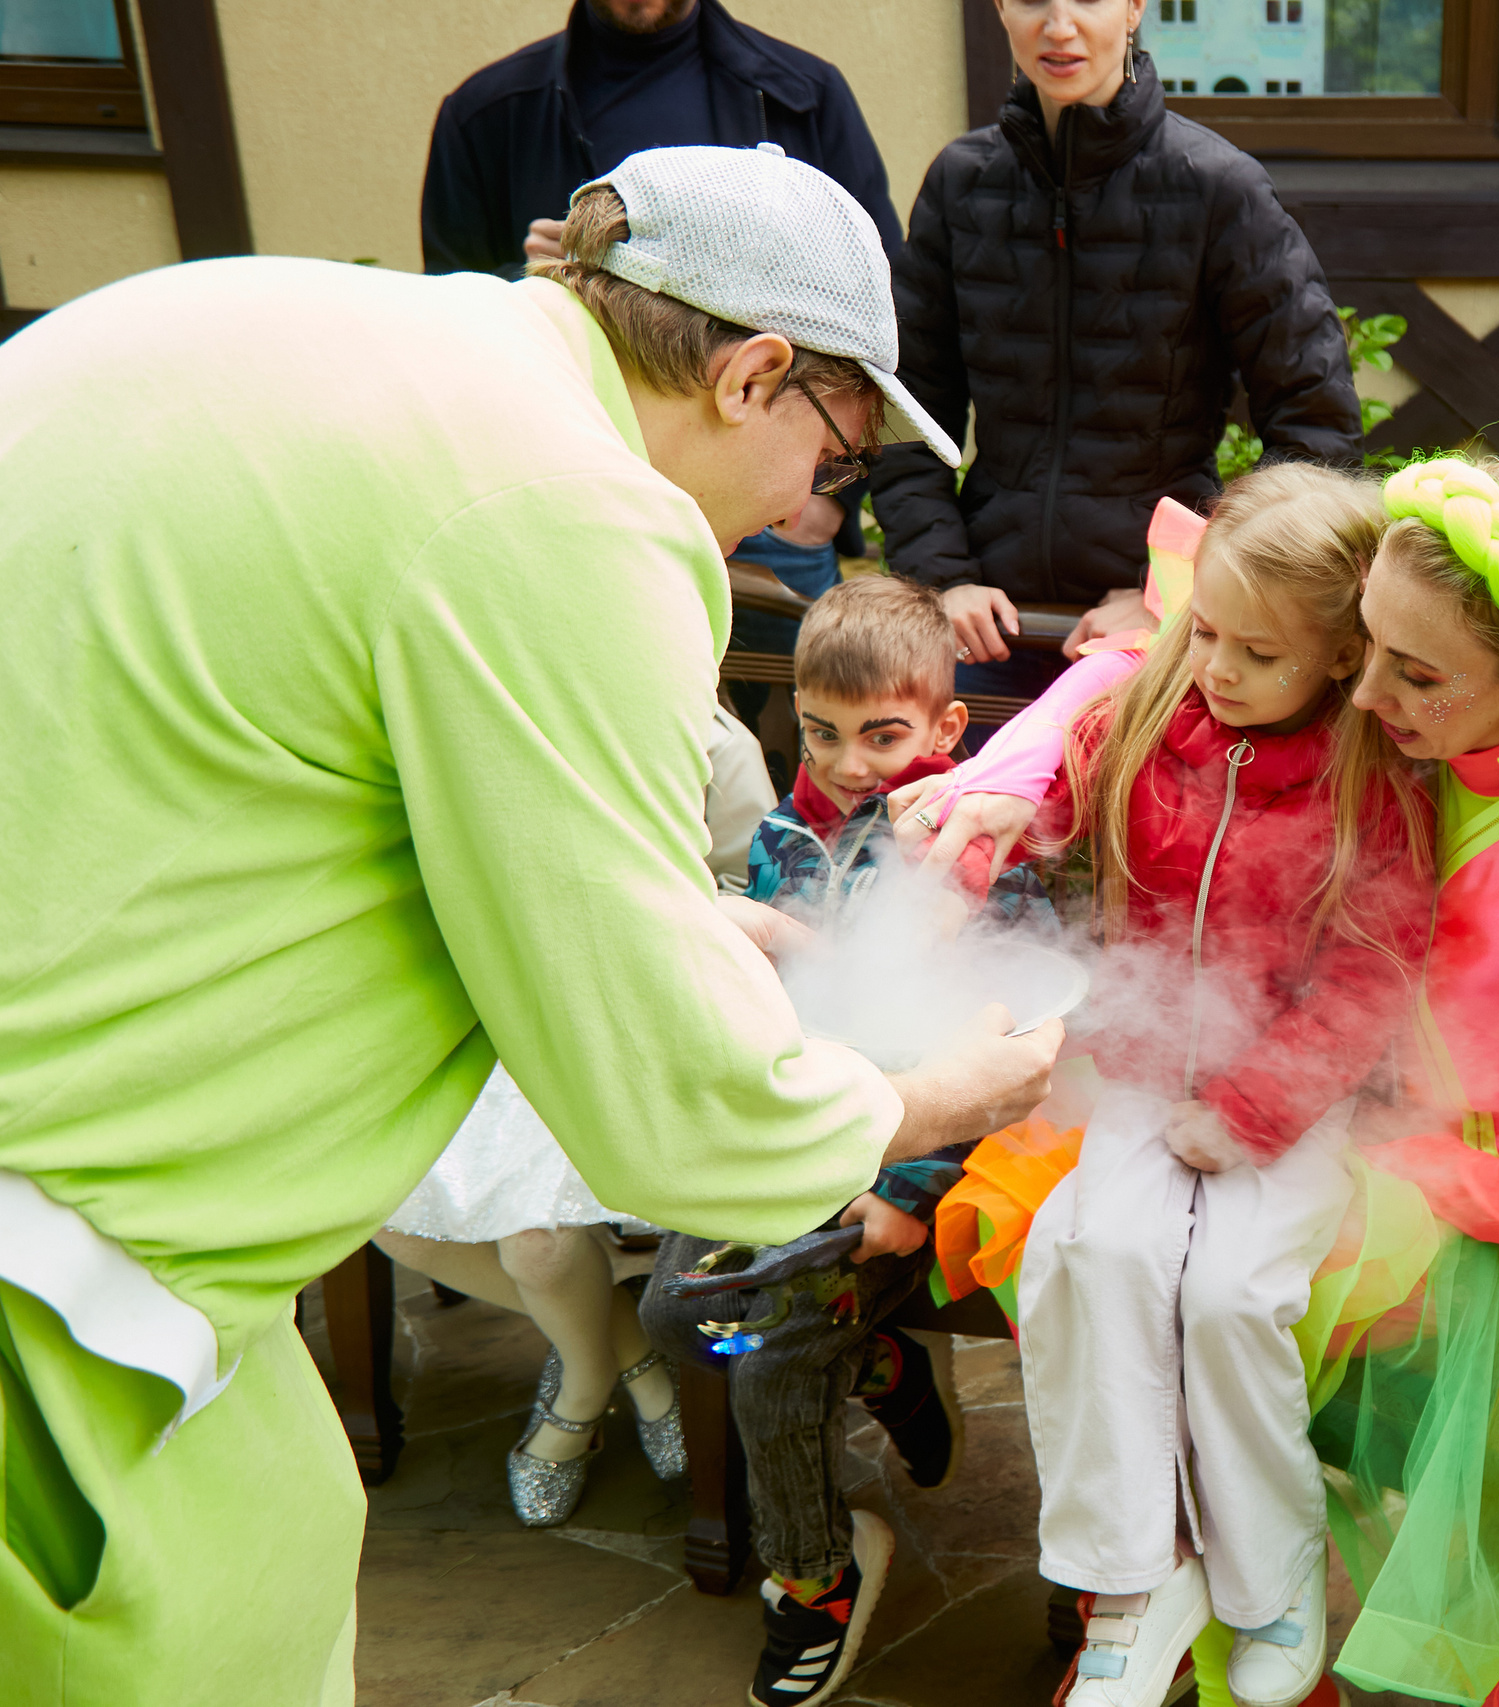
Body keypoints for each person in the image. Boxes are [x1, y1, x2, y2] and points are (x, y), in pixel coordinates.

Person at [0, 143, 1058, 1706]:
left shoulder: (292, 320)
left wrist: (683, 922)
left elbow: (275, 764)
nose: (802, 512)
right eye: (835, 462)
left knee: (288, 1509)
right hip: (60, 1276)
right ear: (756, 371)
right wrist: (932, 1095)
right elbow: (677, 1112)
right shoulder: (571, 507)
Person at [911, 455, 1499, 1707]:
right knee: (1098, 1262)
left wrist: (1429, 1171)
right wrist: (999, 785)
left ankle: (1251, 1588)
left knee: (1210, 1302)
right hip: (1294, 1103)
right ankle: (1142, 1592)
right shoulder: (1382, 725)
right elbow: (1133, 671)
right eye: (1360, 646)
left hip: (1484, 1203)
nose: (1360, 695)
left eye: (1409, 672)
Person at [640, 574, 1050, 1707]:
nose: (849, 762)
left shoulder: (969, 848)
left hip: (908, 1175)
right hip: (792, 1142)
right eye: (821, 732)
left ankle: (816, 1578)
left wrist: (911, 1193)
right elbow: (768, 1002)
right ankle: (881, 1365)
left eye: (883, 735)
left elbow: (996, 1039)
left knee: (767, 1352)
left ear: (946, 727)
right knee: (678, 1312)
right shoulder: (785, 830)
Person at [872, 0, 1362, 704]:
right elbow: (903, 410)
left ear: (1134, 7)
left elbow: (1319, 436)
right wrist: (942, 578)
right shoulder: (962, 183)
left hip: (1165, 639)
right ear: (1002, 10)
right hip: (983, 627)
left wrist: (1180, 587)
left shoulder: (1220, 189)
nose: (1059, 25)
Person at [372, 703, 775, 1528]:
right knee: (385, 1201)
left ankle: (579, 1399)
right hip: (506, 1010)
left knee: (538, 1243)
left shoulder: (710, 740)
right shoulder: (487, 718)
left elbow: (751, 894)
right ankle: (619, 1354)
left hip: (649, 1028)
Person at [422, 0, 900, 581]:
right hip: (567, 506)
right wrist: (537, 283)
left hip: (769, 529)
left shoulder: (802, 93)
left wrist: (822, 498)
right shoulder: (489, 112)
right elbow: (447, 329)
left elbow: (876, 316)